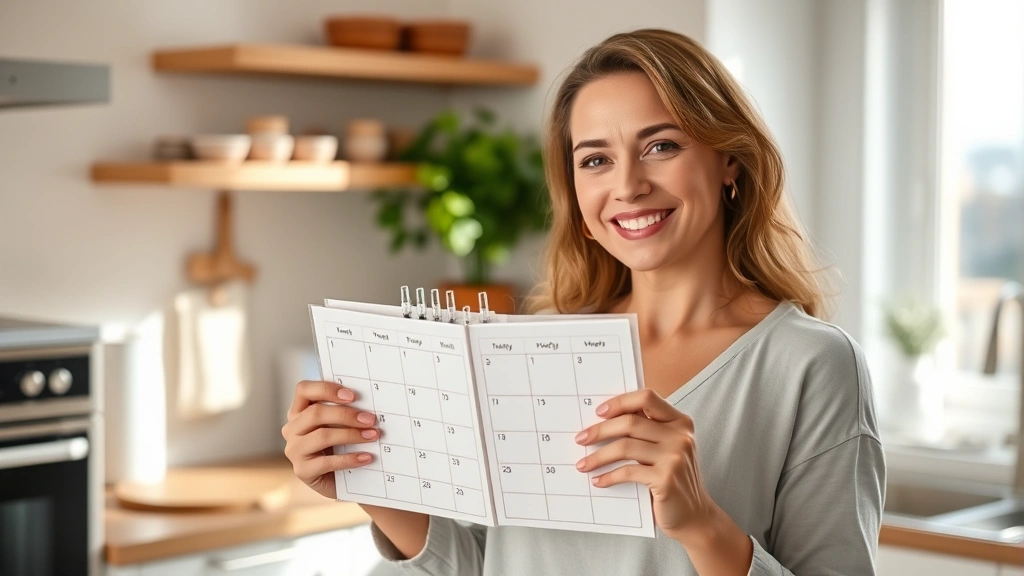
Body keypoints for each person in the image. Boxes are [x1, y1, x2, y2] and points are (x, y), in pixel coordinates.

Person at [283, 28, 885, 575]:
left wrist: (701, 523)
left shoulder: (811, 365)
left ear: (729, 160)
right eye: (596, 159)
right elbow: (486, 565)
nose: (627, 186)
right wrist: (370, 480)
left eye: (662, 146)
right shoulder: (535, 342)